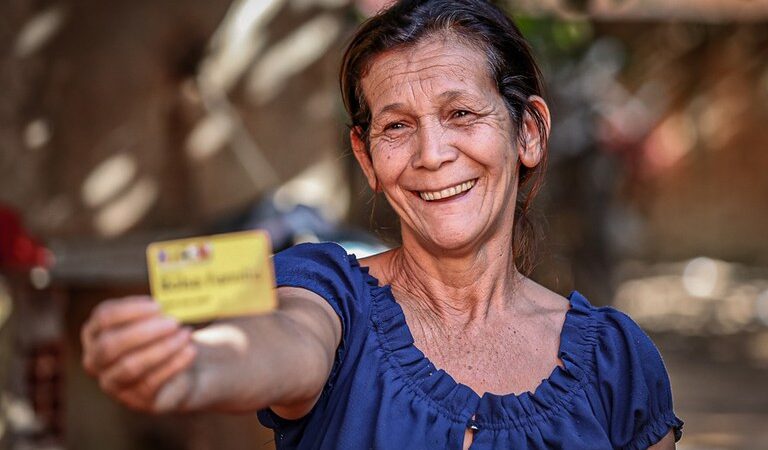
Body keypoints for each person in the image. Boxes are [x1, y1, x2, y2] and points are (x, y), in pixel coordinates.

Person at [80, 0, 684, 448]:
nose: (431, 154)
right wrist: (195, 368)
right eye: (396, 127)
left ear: (527, 132)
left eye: (461, 113)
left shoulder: (617, 361)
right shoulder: (330, 295)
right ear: (367, 158)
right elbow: (285, 343)